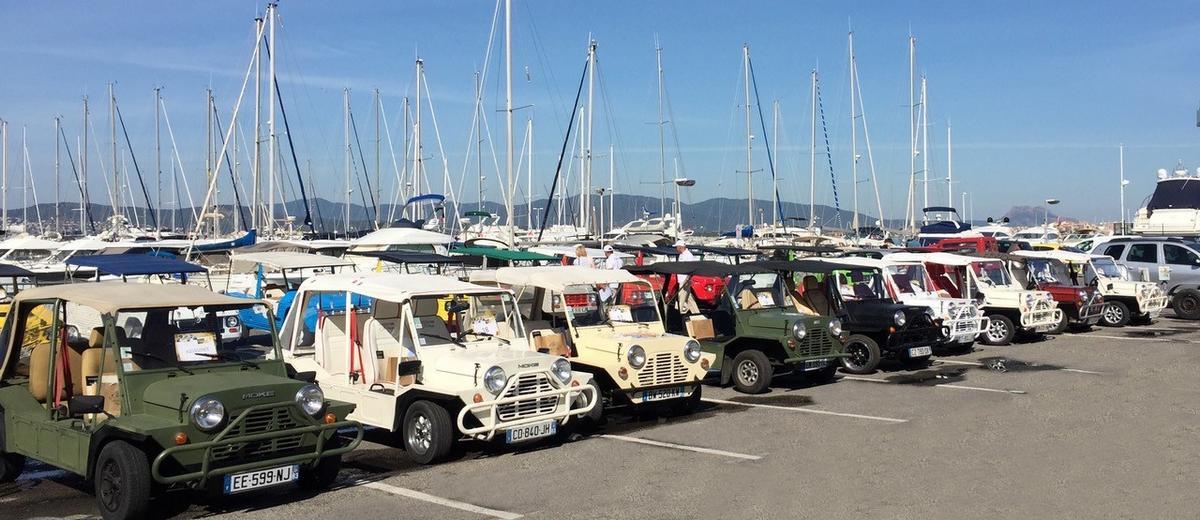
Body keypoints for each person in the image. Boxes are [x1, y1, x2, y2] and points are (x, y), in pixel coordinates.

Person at [673, 240, 700, 314]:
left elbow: (691, 269)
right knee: (689, 298)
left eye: (677, 247)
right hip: (681, 280)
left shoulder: (688, 255)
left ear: (680, 247)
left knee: (681, 297)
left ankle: (679, 314)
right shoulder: (681, 255)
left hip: (685, 280)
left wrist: (687, 279)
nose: (676, 249)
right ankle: (697, 314)